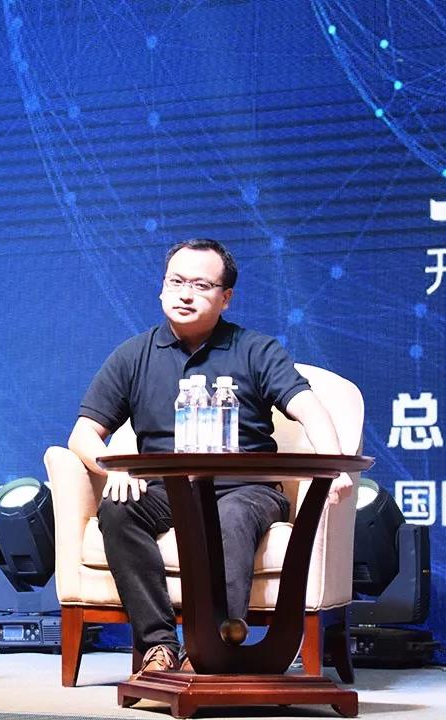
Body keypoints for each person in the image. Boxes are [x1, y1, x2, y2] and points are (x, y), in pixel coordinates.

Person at [67, 238, 350, 678]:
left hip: (247, 489)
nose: (185, 295)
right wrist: (115, 465)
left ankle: (212, 649)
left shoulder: (256, 349)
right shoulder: (133, 355)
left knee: (229, 516)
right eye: (176, 282)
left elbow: (308, 408)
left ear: (226, 297)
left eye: (200, 285)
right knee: (119, 509)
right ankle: (158, 646)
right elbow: (83, 433)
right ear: (162, 288)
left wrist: (334, 465)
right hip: (167, 489)